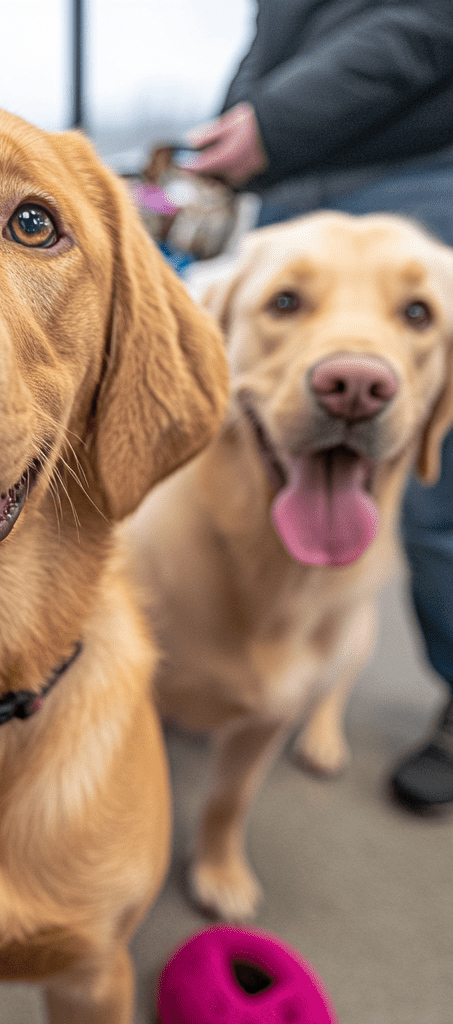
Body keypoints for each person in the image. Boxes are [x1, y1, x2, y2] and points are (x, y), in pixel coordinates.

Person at [184, 0, 453, 813]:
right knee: (250, 450)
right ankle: (219, 666)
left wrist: (274, 120)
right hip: (293, 175)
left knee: (435, 502)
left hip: (423, 167)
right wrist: (234, 125)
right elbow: (273, 40)